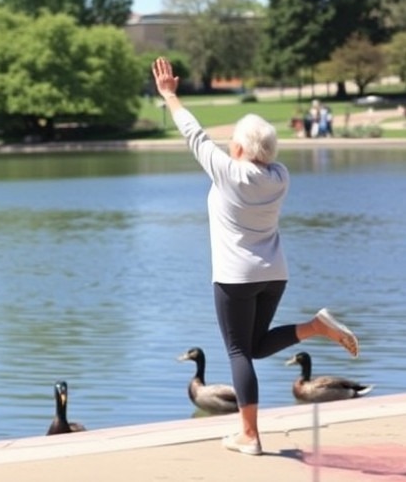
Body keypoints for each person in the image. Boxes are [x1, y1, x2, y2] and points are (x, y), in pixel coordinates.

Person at [150, 57, 359, 456]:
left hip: (235, 278)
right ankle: (316, 326)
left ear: (239, 148)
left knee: (239, 352)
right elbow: (251, 156)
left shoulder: (229, 173)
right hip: (274, 275)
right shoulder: (280, 176)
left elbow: (193, 133)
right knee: (258, 346)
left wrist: (170, 95)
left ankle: (249, 434)